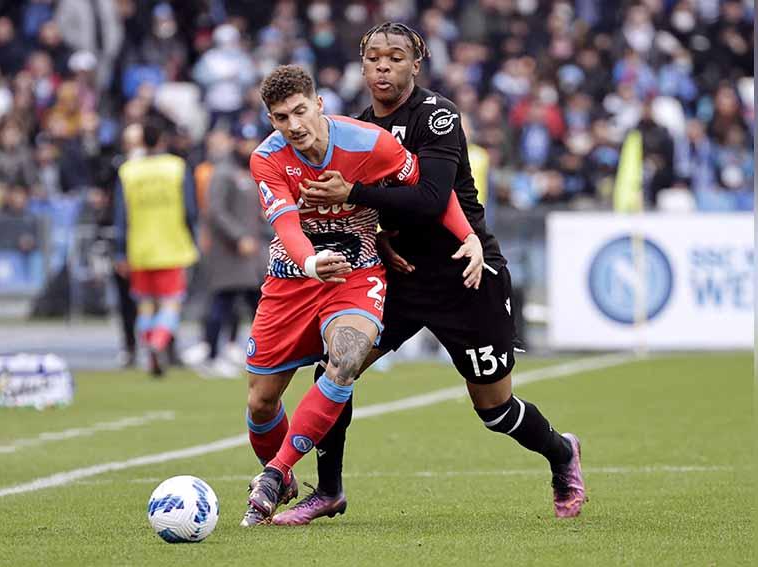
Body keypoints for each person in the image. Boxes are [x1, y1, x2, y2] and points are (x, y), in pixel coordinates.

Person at [277, 22, 586, 525]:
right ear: (361, 64)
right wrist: (375, 238)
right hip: (400, 278)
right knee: (337, 365)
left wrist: (351, 194)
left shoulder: (436, 116)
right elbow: (361, 214)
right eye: (374, 56)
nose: (383, 65)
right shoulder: (354, 128)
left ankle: (560, 453)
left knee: (494, 410)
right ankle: (328, 491)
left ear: (415, 64)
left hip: (466, 275)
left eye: (395, 57)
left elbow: (430, 199)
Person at [240, 64, 481, 526]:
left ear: (319, 105)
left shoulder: (369, 142)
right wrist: (310, 262)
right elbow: (286, 225)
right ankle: (284, 479)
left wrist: (467, 234)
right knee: (261, 403)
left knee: (347, 357)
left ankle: (275, 473)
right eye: (280, 117)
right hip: (292, 278)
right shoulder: (266, 159)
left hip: (356, 272)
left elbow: (430, 189)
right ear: (271, 121)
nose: (294, 125)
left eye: (300, 111)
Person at [113, 120, 199, 377]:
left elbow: (121, 215)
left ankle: (149, 348)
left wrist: (121, 251)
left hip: (139, 248)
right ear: (161, 140)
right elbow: (190, 209)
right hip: (172, 245)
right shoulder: (176, 167)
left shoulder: (128, 171)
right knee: (171, 303)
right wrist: (194, 237)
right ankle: (157, 343)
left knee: (146, 305)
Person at [194, 130, 270, 378]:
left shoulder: (247, 172)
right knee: (223, 302)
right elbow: (216, 212)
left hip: (249, 253)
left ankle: (260, 353)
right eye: (245, 141)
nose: (250, 146)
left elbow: (254, 214)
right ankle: (212, 355)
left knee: (257, 303)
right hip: (228, 252)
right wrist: (238, 236)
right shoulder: (223, 173)